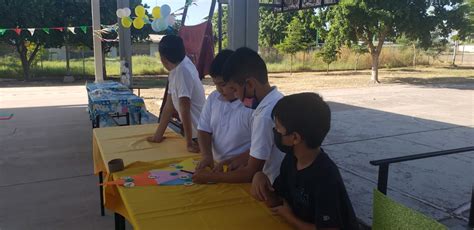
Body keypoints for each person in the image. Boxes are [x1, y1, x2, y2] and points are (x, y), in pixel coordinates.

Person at [251, 93, 359, 230]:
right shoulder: (292, 159)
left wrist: (289, 217)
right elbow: (278, 200)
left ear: (295, 137)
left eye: (278, 128)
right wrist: (260, 178)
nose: (275, 132)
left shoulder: (325, 177)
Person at [193, 47, 285, 183]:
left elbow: (250, 172)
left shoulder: (263, 115)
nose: (236, 96)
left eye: (235, 89)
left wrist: (210, 177)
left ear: (250, 84)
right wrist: (237, 159)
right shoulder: (277, 99)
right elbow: (265, 147)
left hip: (272, 183)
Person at [195, 50, 253, 172]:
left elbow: (259, 147)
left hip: (241, 169)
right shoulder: (213, 98)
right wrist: (207, 155)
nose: (219, 89)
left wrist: (235, 162)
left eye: (223, 84)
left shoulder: (252, 107)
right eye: (215, 84)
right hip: (216, 165)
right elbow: (204, 129)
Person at [147, 35, 205, 153]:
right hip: (194, 133)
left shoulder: (182, 72)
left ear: (163, 58)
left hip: (200, 134)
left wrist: (188, 143)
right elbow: (169, 106)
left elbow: (185, 109)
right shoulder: (176, 69)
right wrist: (158, 136)